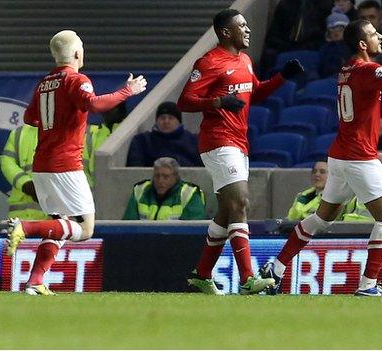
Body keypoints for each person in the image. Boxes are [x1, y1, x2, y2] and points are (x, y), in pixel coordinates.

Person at [260, 18, 382, 297]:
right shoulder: (367, 70)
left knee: (322, 218)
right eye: (374, 34)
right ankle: (367, 285)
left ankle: (276, 268)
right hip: (359, 157)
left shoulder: (347, 69)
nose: (380, 37)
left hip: (340, 156)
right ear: (363, 44)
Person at [4, 29, 147, 295]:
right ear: (78, 53)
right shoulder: (76, 79)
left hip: (43, 164)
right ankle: (25, 226)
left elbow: (30, 118)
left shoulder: (45, 82)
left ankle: (35, 281)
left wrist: (56, 122)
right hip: (65, 164)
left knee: (61, 224)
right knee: (84, 228)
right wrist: (129, 90)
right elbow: (94, 104)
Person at [177, 9, 304, 295]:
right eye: (242, 26)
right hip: (218, 141)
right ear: (225, 32)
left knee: (227, 211)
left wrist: (282, 77)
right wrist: (218, 102)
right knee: (241, 203)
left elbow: (253, 93)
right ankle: (248, 279)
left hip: (239, 142)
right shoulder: (209, 61)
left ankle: (201, 275)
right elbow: (184, 100)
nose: (247, 30)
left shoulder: (244, 59)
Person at [286, 158, 374, 222]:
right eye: (314, 171)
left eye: (322, 172)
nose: (317, 175)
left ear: (334, 175)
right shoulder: (303, 196)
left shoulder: (343, 195)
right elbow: (291, 219)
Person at [122, 157, 206, 220]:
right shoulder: (140, 190)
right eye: (157, 176)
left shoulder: (189, 194)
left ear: (175, 177)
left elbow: (193, 229)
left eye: (166, 177)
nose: (160, 180)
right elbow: (127, 223)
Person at [126, 101, 201, 167]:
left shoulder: (194, 141)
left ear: (179, 121)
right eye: (162, 118)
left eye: (171, 118)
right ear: (156, 121)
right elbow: (135, 167)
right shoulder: (142, 141)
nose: (166, 121)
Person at [0, 124, 47, 220]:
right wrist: (25, 183)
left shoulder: (65, 131)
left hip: (53, 218)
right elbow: (6, 162)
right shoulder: (19, 133)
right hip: (20, 216)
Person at [83, 102, 127, 187]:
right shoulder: (91, 134)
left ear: (121, 110)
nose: (106, 111)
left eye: (111, 108)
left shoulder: (128, 134)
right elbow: (83, 166)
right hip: (92, 190)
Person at [357, 0, 382, 67]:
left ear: (380, 18)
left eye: (372, 17)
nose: (367, 21)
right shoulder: (353, 39)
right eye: (363, 18)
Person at [319, 10, 351, 77]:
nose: (336, 32)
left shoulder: (352, 46)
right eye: (332, 28)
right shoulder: (325, 48)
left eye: (340, 28)